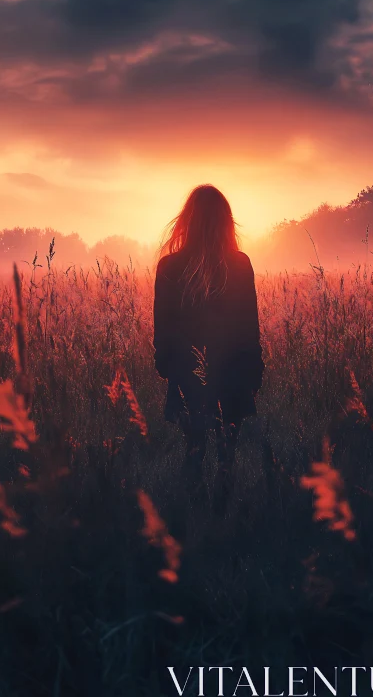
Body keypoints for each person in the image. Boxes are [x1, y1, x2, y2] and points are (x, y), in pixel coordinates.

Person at [153, 184, 264, 513]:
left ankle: (197, 520)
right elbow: (249, 324)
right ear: (226, 221)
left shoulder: (170, 266)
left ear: (188, 220)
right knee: (227, 450)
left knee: (194, 448)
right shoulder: (239, 264)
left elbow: (163, 325)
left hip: (189, 372)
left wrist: (167, 366)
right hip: (233, 371)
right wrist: (253, 370)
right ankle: (220, 515)